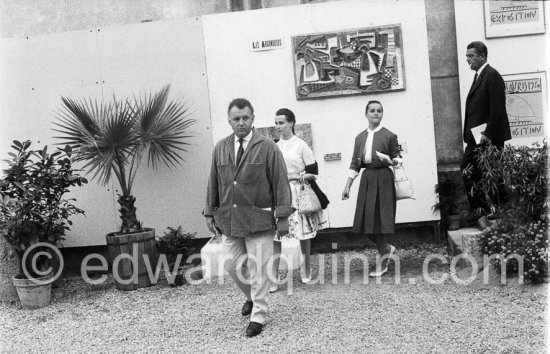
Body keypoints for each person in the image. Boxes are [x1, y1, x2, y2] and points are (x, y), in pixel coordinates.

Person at [204, 98, 294, 337]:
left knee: (260, 269)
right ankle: (252, 299)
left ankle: (259, 316)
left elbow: (280, 182)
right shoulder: (221, 147)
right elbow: (213, 182)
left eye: (245, 118)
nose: (241, 122)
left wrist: (283, 215)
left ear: (253, 118)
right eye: (236, 119)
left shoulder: (267, 147)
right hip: (230, 220)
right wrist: (208, 211)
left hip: (259, 220)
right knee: (234, 266)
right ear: (229, 121)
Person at [270, 108, 328, 292]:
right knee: (276, 235)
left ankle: (307, 267)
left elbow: (314, 173)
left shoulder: (301, 145)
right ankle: (274, 275)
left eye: (281, 122)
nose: (278, 126)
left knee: (303, 234)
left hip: (298, 193)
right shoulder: (274, 146)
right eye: (276, 123)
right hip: (279, 194)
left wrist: (297, 178)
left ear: (291, 123)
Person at [341, 100, 401, 277]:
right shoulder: (360, 138)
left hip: (383, 178)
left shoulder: (390, 136)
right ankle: (387, 248)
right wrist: (347, 187)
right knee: (366, 221)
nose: (376, 113)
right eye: (372, 111)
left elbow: (398, 157)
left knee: (380, 221)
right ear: (366, 114)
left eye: (379, 111)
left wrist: (394, 161)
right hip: (367, 178)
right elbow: (354, 164)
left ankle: (383, 261)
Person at [461, 41, 511, 227]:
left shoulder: (492, 75)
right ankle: (483, 213)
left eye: (471, 56)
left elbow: (497, 108)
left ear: (482, 55)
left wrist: (488, 134)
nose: (468, 59)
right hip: (476, 138)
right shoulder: (479, 76)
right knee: (469, 171)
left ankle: (503, 215)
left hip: (488, 139)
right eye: (467, 56)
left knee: (493, 176)